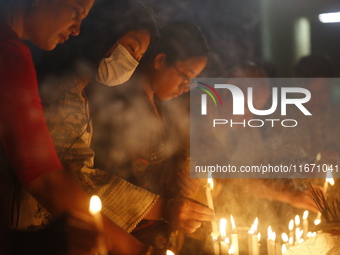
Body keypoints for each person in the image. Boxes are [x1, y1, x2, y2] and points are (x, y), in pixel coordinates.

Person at [0, 0, 155, 254]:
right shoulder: (9, 56)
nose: (77, 29)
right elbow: (44, 177)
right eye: (76, 11)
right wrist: (137, 250)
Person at [90, 21, 214, 253]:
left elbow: (175, 160)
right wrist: (167, 208)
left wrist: (184, 174)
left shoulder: (165, 107)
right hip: (119, 240)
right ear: (159, 61)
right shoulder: (120, 106)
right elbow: (99, 181)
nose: (188, 87)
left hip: (158, 240)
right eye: (186, 75)